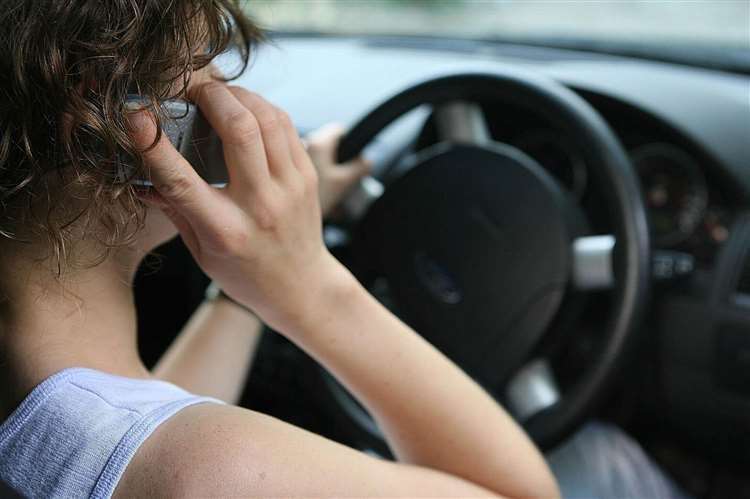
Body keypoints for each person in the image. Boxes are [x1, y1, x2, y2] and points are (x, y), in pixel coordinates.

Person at [0, 2, 559, 497]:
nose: (224, 90)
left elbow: (130, 427)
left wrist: (251, 286)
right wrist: (309, 285)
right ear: (117, 134)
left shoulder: (68, 422)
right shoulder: (210, 468)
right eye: (202, 64)